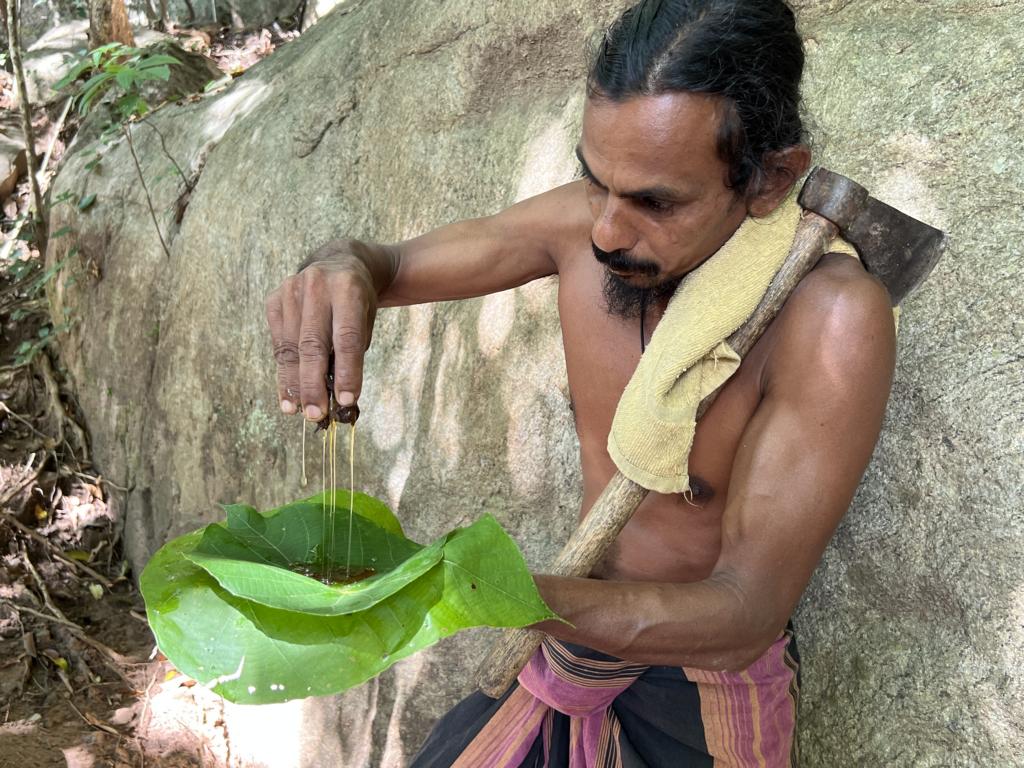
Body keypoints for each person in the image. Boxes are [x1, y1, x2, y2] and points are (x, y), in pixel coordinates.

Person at [264, 0, 896, 764]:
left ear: (771, 180)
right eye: (595, 182)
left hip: (699, 691)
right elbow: (385, 264)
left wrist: (475, 590)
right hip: (564, 646)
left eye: (655, 202)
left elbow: (743, 612)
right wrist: (341, 266)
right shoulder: (578, 227)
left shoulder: (829, 318)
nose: (605, 231)